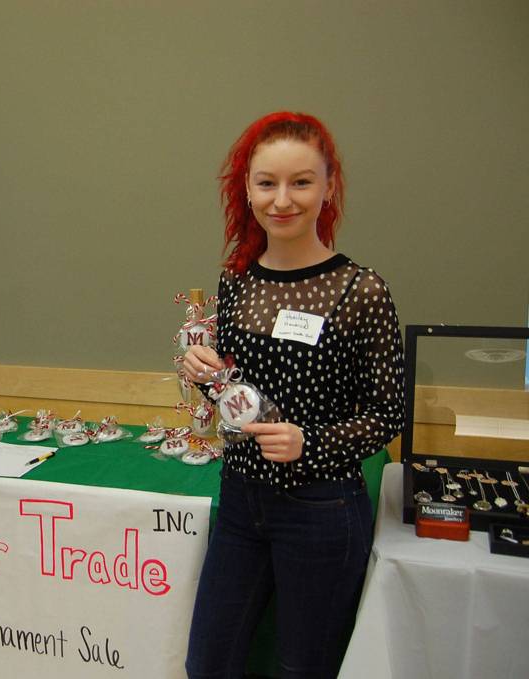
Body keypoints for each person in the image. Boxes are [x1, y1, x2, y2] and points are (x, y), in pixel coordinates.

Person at [181, 112, 404, 679]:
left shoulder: (361, 291)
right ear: (247, 189)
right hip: (240, 500)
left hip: (321, 508)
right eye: (267, 183)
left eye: (301, 182)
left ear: (328, 187)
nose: (282, 199)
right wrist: (204, 373)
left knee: (303, 668)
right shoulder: (236, 282)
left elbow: (388, 413)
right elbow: (231, 396)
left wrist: (314, 442)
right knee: (208, 663)